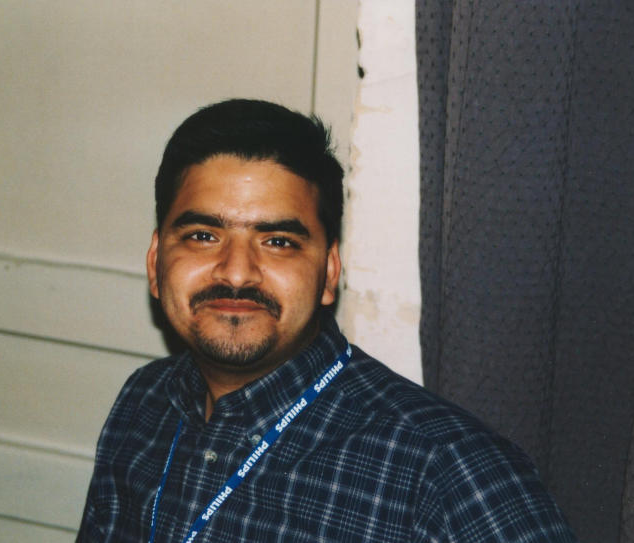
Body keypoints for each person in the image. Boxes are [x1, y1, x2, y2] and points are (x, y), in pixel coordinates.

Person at [77, 99, 577, 542]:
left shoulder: (451, 472)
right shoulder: (143, 402)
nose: (236, 271)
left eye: (278, 242)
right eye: (203, 236)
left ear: (330, 272)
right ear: (155, 262)